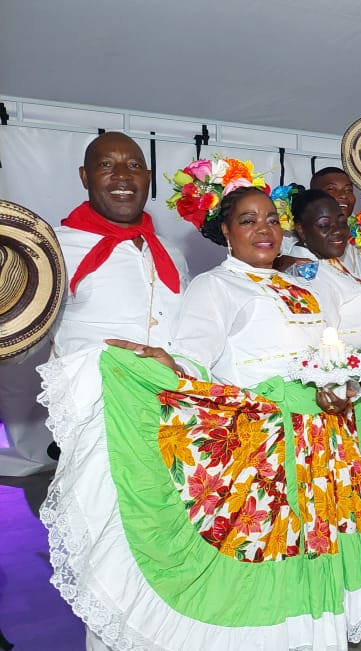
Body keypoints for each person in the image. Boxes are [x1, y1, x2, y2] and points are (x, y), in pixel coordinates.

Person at [76, 178, 361, 647]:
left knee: (326, 542)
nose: (264, 229)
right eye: (248, 220)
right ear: (225, 232)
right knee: (281, 548)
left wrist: (349, 382)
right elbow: (195, 358)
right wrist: (170, 365)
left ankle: (323, 630)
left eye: (272, 219)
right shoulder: (216, 287)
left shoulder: (299, 286)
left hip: (326, 444)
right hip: (272, 446)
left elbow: (326, 355)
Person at [35, 132, 189, 650]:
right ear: (85, 177)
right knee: (108, 557)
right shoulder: (54, 246)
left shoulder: (168, 251)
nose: (122, 176)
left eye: (134, 166)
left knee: (164, 556)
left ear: (148, 178)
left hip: (169, 430)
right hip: (100, 429)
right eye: (107, 166)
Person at [286, 189, 361, 347]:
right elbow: (321, 342)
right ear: (301, 230)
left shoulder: (327, 261)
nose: (338, 230)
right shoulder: (308, 273)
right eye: (324, 225)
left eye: (342, 223)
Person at [310, 166, 361, 276]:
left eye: (348, 190)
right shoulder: (300, 240)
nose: (343, 195)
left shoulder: (358, 240)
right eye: (332, 189)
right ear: (313, 196)